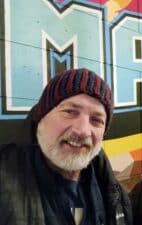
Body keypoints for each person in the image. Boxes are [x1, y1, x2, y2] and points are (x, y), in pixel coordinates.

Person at [0, 68, 132, 225]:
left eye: (96, 120)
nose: (82, 131)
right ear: (42, 116)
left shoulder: (112, 191)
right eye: (70, 111)